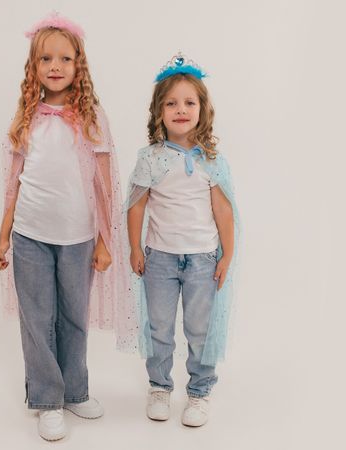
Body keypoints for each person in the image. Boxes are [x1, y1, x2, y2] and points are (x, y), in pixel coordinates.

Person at [0, 12, 136, 441]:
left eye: (65, 59)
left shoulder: (91, 117)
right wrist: (3, 237)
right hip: (30, 235)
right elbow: (12, 183)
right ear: (34, 66)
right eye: (46, 59)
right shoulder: (27, 116)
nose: (55, 66)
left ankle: (74, 390)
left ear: (78, 65)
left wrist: (106, 240)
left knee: (74, 316)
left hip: (78, 238)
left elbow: (105, 186)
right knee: (37, 319)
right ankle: (46, 399)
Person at [127, 53, 240, 427]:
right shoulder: (151, 157)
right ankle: (159, 386)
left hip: (202, 259)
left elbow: (224, 211)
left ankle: (199, 391)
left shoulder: (211, 160)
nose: (180, 110)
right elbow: (136, 206)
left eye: (189, 103)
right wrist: (135, 247)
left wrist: (227, 255)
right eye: (171, 103)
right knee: (159, 327)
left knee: (199, 329)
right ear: (159, 111)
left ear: (202, 110)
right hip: (159, 258)